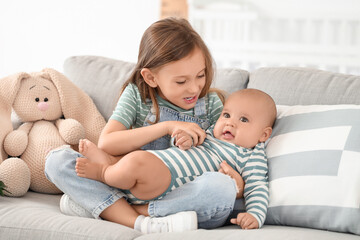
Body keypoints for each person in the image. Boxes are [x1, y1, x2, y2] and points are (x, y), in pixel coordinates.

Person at [45, 17, 239, 234]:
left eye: (200, 75)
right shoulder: (137, 96)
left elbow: (227, 154)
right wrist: (166, 127)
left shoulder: (212, 104)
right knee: (57, 160)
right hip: (126, 183)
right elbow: (108, 143)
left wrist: (236, 184)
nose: (194, 88)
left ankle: (118, 210)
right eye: (181, 82)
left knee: (221, 190)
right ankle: (142, 221)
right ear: (150, 77)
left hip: (181, 194)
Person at [75, 88, 277, 229]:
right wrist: (183, 140)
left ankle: (105, 178)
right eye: (226, 115)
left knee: (222, 184)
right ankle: (110, 171)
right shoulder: (207, 134)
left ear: (264, 135)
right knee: (64, 159)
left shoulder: (252, 156)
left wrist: (255, 216)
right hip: (158, 171)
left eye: (243, 120)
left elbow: (258, 187)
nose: (230, 124)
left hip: (177, 193)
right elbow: (175, 150)